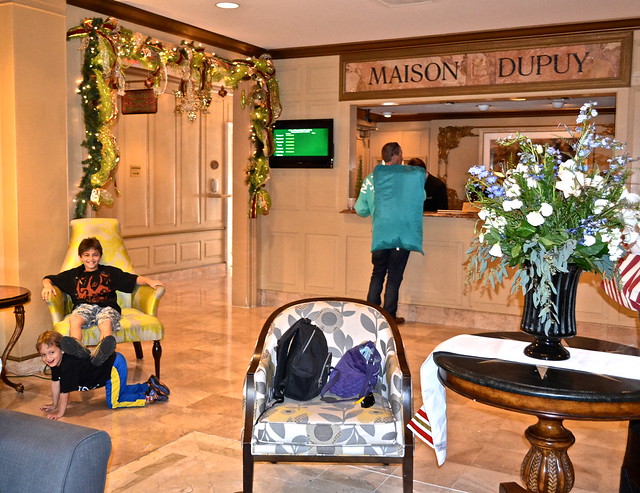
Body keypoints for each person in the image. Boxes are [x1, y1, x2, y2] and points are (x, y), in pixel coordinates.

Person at [41, 237, 164, 366]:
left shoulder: (109, 272)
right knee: (75, 320)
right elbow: (48, 278)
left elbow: (132, 279)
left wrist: (149, 281)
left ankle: (102, 353)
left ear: (100, 256)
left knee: (105, 323)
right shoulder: (74, 274)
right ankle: (77, 349)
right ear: (81, 257)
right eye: (86, 255)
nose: (91, 259)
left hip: (107, 307)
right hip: (83, 306)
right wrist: (47, 286)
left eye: (95, 255)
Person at [355, 142, 425, 324]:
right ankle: (389, 317)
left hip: (380, 234)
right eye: (401, 153)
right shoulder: (409, 177)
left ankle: (372, 314)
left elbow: (360, 210)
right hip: (401, 234)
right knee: (394, 275)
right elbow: (422, 198)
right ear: (397, 155)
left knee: (377, 273)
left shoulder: (371, 178)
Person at [36, 330, 169, 420]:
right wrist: (54, 404)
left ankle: (150, 396)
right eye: (43, 355)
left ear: (63, 350)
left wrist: (59, 411)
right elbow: (55, 383)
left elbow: (64, 392)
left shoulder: (67, 366)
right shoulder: (55, 363)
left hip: (113, 367)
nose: (48, 358)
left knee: (115, 402)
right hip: (113, 363)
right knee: (120, 391)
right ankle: (148, 386)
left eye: (52, 352)